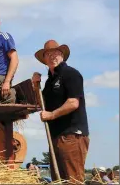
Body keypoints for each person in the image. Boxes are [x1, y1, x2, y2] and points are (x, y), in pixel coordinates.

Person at [32, 40, 90, 184]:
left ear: (62, 55)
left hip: (71, 135)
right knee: (59, 181)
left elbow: (73, 103)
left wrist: (51, 115)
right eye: (48, 54)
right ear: (44, 60)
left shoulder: (71, 74)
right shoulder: (49, 82)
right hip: (56, 137)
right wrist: (35, 85)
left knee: (73, 180)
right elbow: (41, 105)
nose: (53, 56)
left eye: (56, 53)